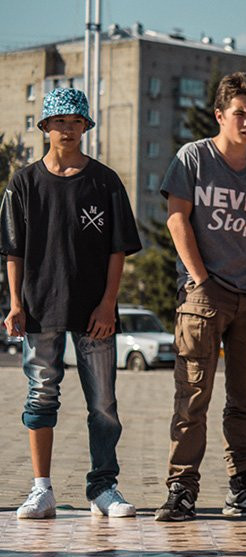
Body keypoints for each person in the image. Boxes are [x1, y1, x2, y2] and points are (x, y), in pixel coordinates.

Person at [155, 72, 246, 522]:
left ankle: (242, 489)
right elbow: (177, 220)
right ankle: (182, 489)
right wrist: (200, 279)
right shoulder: (193, 158)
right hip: (203, 297)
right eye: (240, 114)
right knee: (192, 396)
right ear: (220, 115)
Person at [1, 87, 142, 519]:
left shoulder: (105, 181)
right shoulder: (23, 183)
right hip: (40, 306)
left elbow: (118, 249)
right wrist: (14, 303)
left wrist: (107, 304)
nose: (68, 129)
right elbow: (13, 249)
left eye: (76, 122)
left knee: (103, 403)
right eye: (60, 121)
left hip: (93, 311)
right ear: (45, 127)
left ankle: (103, 487)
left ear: (85, 127)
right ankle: (41, 488)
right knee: (40, 395)